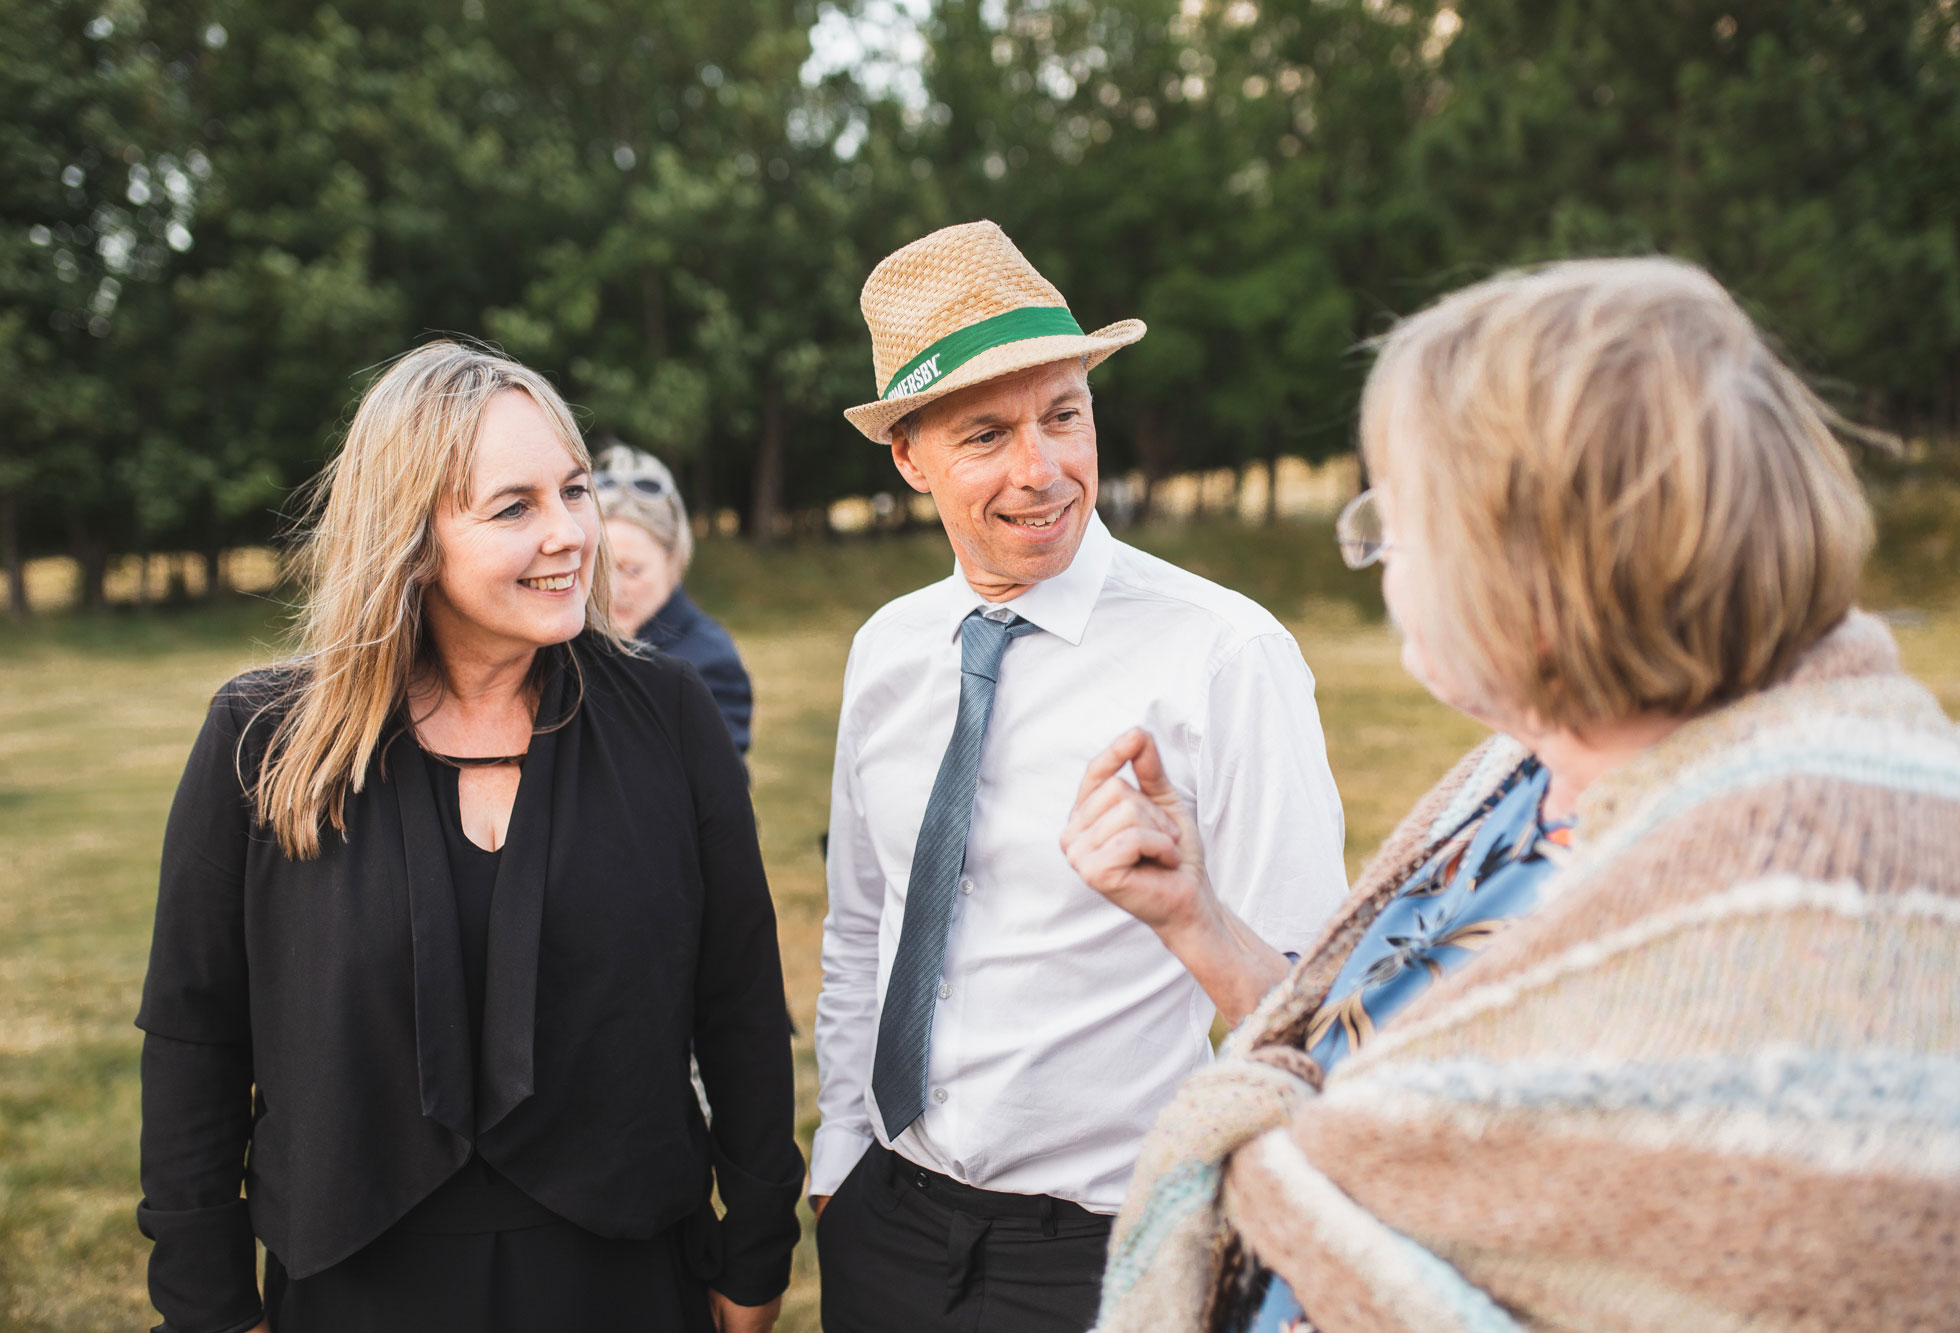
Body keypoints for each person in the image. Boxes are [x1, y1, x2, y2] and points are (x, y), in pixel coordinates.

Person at [1069, 258, 1960, 1332]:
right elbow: (1384, 1077)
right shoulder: (1525, 772)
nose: (1376, 557)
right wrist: (1195, 919)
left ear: (1532, 574)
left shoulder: (1810, 900)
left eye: (1393, 519)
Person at [136, 342, 804, 1333]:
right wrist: (208, 1300)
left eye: (573, 490)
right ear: (409, 539)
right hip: (355, 1285)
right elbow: (195, 1038)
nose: (573, 533)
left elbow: (740, 1003)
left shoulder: (668, 715)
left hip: (621, 1279)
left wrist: (754, 1252)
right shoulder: (260, 738)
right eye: (514, 506)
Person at [811, 220, 1350, 1332]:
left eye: (1063, 414)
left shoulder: (1222, 654)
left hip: (1101, 1247)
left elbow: (1311, 1001)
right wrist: (838, 1158)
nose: (1042, 469)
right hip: (887, 1229)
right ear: (906, 455)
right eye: (985, 434)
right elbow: (861, 926)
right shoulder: (885, 650)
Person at [593, 441, 754, 756]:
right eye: (599, 569)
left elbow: (717, 794)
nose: (612, 589)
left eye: (633, 570)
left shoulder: (710, 662)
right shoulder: (574, 642)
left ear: (673, 560)